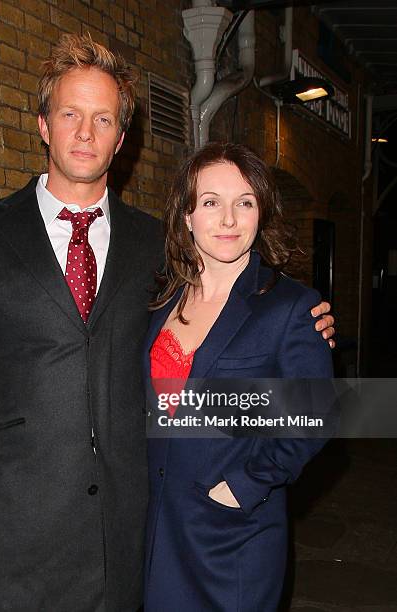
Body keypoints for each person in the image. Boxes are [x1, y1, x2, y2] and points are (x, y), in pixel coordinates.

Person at [0, 34, 335, 611]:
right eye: (71, 114)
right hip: (18, 517)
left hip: (130, 519)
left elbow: (213, 360)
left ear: (122, 137)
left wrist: (306, 326)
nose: (86, 133)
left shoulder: (155, 246)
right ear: (44, 124)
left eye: (103, 119)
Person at [144, 142, 334, 611]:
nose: (228, 219)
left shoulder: (290, 305)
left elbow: (314, 416)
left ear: (260, 213)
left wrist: (242, 488)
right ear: (186, 216)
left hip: (232, 537)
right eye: (211, 202)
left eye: (244, 202)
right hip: (157, 528)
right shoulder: (160, 299)